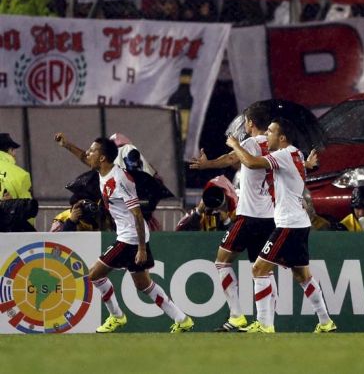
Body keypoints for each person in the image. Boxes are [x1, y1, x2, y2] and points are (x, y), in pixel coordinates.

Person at [227, 117, 336, 333]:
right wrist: (308, 166)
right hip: (299, 222)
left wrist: (235, 145)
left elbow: (250, 162)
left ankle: (265, 324)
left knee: (259, 269)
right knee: (302, 276)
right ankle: (326, 322)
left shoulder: (283, 155)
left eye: (270, 132)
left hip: (288, 225)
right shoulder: (296, 153)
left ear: (282, 137)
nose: (267, 135)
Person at [82, 137, 193, 333]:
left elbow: (138, 214)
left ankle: (117, 317)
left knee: (94, 275)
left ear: (102, 158)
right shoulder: (103, 171)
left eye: (92, 151)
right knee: (144, 284)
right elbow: (84, 158)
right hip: (129, 236)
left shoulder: (120, 179)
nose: (87, 154)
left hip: (130, 239)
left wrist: (141, 248)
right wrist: (66, 145)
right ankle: (182, 319)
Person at [189, 104, 277, 332]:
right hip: (269, 217)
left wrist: (207, 164)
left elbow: (230, 159)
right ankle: (266, 323)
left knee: (222, 261)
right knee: (261, 270)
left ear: (250, 123)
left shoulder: (250, 143)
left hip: (249, 216)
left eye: (247, 121)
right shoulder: (277, 146)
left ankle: (237, 316)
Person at [0, 133, 35, 230]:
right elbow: (27, 209)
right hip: (9, 230)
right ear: (9, 150)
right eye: (13, 150)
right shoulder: (20, 175)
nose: (15, 154)